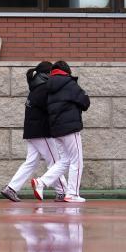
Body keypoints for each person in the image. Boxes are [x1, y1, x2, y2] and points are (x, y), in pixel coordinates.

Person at [2, 62, 68, 202]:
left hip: (32, 132)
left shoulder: (35, 88)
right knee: (56, 161)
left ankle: (11, 188)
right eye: (52, 73)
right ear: (46, 74)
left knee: (30, 162)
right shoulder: (44, 89)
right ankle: (62, 191)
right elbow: (51, 110)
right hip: (42, 132)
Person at [31, 61, 90, 203]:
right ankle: (72, 194)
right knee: (77, 161)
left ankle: (41, 182)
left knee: (64, 161)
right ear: (66, 71)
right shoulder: (70, 83)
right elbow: (85, 102)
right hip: (70, 128)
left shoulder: (48, 86)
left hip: (56, 130)